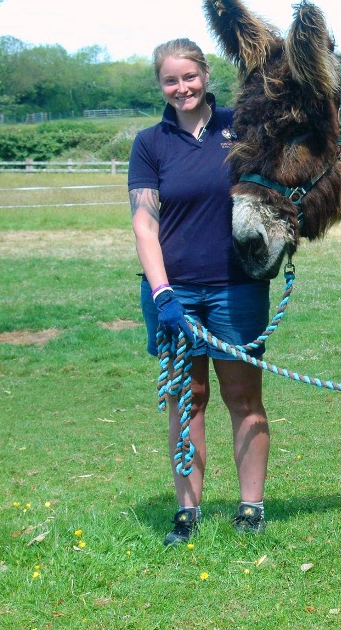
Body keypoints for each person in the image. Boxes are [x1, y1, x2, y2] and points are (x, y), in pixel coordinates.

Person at [128, 38, 271, 546]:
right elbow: (145, 225)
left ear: (205, 75)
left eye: (189, 77)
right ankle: (187, 512)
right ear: (161, 85)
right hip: (175, 294)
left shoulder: (243, 129)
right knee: (188, 401)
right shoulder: (151, 143)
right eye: (171, 80)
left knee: (243, 397)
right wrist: (163, 293)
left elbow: (273, 193)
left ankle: (251, 507)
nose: (181, 88)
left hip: (237, 288)